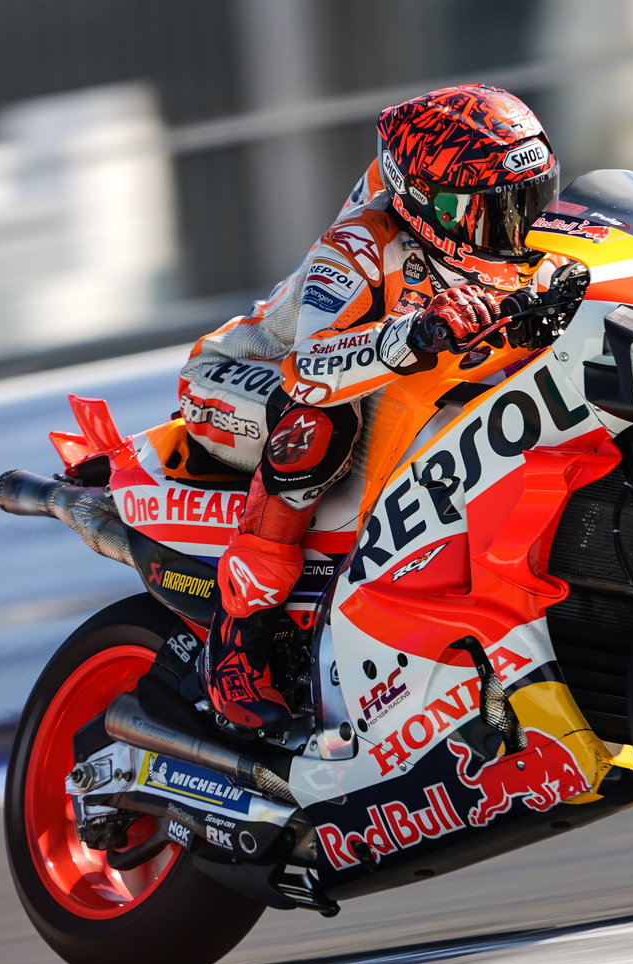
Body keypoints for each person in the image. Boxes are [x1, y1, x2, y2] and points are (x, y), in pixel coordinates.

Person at [177, 84, 562, 734]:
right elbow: (311, 368)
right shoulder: (360, 244)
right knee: (321, 423)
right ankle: (239, 642)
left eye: (531, 197)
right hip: (239, 380)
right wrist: (408, 333)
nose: (520, 221)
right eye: (500, 205)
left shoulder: (499, 241)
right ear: (434, 202)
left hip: (353, 387)